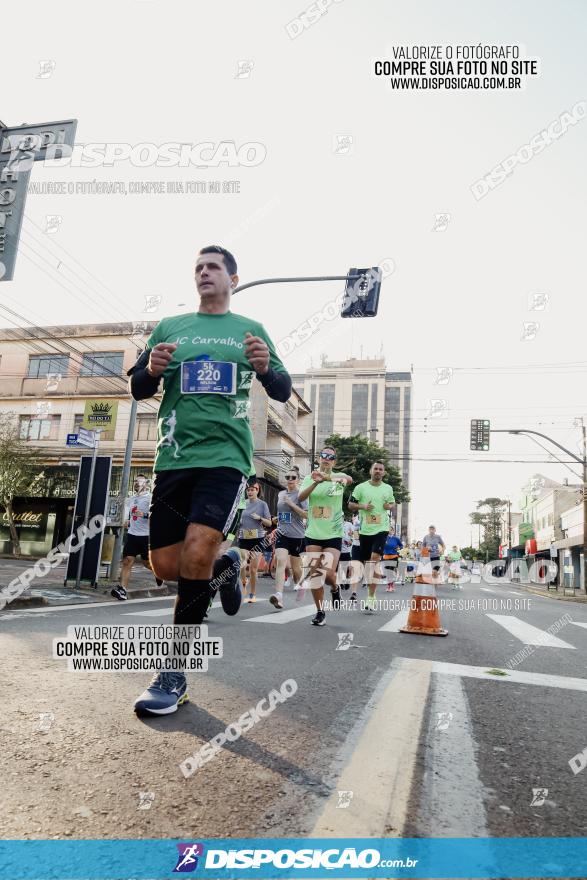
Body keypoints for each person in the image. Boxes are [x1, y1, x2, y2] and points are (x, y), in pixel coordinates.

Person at [128, 245, 291, 715]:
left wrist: (263, 367)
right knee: (166, 568)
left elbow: (282, 387)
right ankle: (227, 567)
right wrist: (152, 368)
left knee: (197, 549)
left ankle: (172, 673)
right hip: (174, 459)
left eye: (213, 267)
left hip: (227, 459)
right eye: (198, 267)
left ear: (232, 279)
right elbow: (138, 386)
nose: (203, 273)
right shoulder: (170, 328)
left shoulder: (251, 331)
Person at [297, 446, 353, 626]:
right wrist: (316, 482)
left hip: (333, 533)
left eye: (331, 457)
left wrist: (327, 477)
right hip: (313, 532)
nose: (326, 458)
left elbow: (349, 479)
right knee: (315, 575)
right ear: (319, 459)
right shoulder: (309, 478)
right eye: (324, 455)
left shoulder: (338, 478)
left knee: (328, 574)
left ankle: (335, 588)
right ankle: (320, 611)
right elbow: (300, 497)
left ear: (334, 461)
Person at [348, 461, 395, 612]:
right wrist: (363, 506)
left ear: (384, 473)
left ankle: (371, 596)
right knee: (369, 564)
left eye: (381, 469)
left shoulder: (388, 488)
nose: (378, 471)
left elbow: (392, 502)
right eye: (376, 468)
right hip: (364, 531)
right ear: (371, 471)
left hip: (381, 529)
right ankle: (369, 593)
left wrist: (390, 506)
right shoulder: (360, 487)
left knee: (374, 560)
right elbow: (350, 504)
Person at [111, 474, 163, 601]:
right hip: (132, 535)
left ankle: (159, 573)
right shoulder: (132, 498)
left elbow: (158, 515)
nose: (136, 483)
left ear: (146, 484)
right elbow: (129, 512)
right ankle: (123, 590)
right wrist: (127, 520)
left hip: (146, 537)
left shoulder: (151, 498)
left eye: (139, 482)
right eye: (135, 481)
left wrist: (144, 515)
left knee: (147, 563)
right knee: (127, 561)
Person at [269, 471, 308, 609]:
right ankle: (279, 596)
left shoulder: (302, 495)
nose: (290, 479)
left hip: (297, 536)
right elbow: (282, 513)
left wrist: (292, 504)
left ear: (298, 479)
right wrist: (277, 519)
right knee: (281, 562)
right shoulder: (281, 494)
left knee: (296, 569)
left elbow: (306, 515)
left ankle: (301, 584)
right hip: (282, 533)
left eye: (293, 477)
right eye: (287, 477)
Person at [238, 481, 273, 603]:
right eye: (248, 490)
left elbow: (269, 523)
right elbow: (236, 518)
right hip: (243, 538)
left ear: (258, 491)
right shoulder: (242, 503)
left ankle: (252, 593)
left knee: (253, 569)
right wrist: (239, 522)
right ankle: (243, 583)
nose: (250, 491)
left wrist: (260, 518)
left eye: (253, 489)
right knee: (242, 562)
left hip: (258, 539)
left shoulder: (262, 505)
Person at [349, 513, 362, 602]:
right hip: (356, 546)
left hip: (367, 547)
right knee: (355, 570)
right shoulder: (356, 518)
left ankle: (371, 596)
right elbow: (355, 535)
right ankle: (353, 593)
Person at [338, 516, 354, 592]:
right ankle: (340, 583)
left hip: (347, 549)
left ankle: (347, 580)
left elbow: (354, 533)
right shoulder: (335, 524)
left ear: (343, 517)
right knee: (338, 567)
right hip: (337, 549)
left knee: (347, 568)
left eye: (341, 516)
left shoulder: (349, 524)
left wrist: (351, 540)